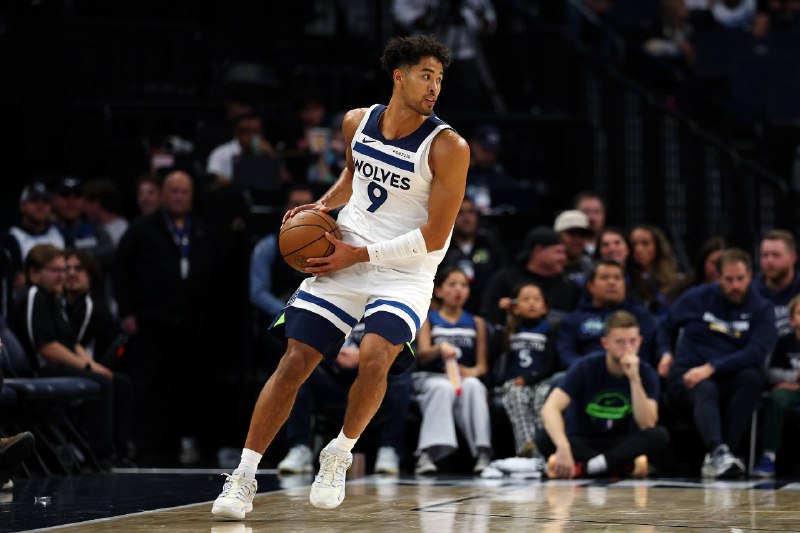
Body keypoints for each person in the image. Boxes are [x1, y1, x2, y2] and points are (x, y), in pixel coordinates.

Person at [212, 35, 470, 518]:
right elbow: (353, 178)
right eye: (425, 75)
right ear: (399, 77)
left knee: (375, 354)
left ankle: (339, 453)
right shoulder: (357, 121)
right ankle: (243, 477)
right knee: (294, 361)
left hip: (404, 270)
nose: (434, 86)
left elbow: (436, 236)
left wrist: (359, 255)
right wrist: (320, 206)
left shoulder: (448, 147)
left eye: (439, 78)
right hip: (344, 255)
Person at [114, 170, 222, 466]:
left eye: (184, 191)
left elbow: (215, 274)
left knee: (185, 385)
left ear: (192, 197)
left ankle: (181, 441)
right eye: (173, 191)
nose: (178, 196)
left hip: (191, 323)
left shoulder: (202, 229)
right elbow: (121, 271)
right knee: (150, 385)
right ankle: (147, 445)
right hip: (151, 320)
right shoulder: (141, 228)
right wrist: (126, 311)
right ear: (163, 194)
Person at [657, 248, 777, 478]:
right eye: (729, 279)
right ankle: (720, 452)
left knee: (752, 377)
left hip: (727, 374)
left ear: (750, 275)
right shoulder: (697, 298)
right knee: (705, 387)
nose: (735, 285)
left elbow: (756, 353)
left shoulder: (762, 308)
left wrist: (712, 367)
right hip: (688, 373)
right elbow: (665, 325)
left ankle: (722, 453)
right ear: (718, 277)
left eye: (740, 278)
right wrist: (665, 353)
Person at [9, 244, 133, 466]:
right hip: (37, 371)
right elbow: (47, 348)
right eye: (56, 271)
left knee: (119, 382)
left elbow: (71, 343)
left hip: (53, 368)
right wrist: (87, 367)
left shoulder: (53, 299)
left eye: (63, 270)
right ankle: (101, 456)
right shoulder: (34, 296)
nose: (62, 276)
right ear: (34, 273)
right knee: (101, 382)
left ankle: (121, 452)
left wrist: (93, 365)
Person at [539, 311, 669, 479]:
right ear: (605, 343)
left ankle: (588, 468)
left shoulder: (646, 372)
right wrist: (563, 447)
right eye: (620, 342)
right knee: (544, 437)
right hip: (584, 439)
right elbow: (550, 408)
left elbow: (647, 424)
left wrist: (634, 379)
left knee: (659, 435)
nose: (627, 348)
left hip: (621, 442)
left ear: (640, 341)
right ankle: (617, 468)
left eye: (632, 341)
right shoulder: (586, 366)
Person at [276, 320, 412, 476]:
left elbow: (401, 347)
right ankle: (299, 447)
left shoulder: (386, 311)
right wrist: (333, 353)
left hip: (371, 378)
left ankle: (389, 448)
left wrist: (366, 356)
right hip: (331, 376)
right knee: (299, 369)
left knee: (400, 377)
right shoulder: (330, 307)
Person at [412, 267, 491, 475]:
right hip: (432, 376)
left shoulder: (477, 322)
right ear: (438, 291)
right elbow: (422, 354)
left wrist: (471, 372)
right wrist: (439, 348)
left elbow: (482, 366)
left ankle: (483, 452)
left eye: (463, 285)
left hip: (463, 378)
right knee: (442, 388)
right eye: (452, 284)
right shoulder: (428, 318)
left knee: (474, 386)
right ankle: (428, 453)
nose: (458, 290)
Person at [557, 259, 662, 370]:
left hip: (631, 372)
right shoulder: (573, 320)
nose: (612, 282)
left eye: (617, 278)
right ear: (590, 286)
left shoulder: (642, 316)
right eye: (605, 278)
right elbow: (567, 355)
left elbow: (648, 353)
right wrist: (587, 370)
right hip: (586, 374)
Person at [498, 282, 556, 458]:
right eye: (525, 299)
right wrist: (504, 314)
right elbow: (495, 349)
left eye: (536, 299)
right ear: (515, 306)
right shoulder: (509, 329)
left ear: (545, 307)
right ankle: (527, 449)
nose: (531, 303)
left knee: (543, 397)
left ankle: (543, 449)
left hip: (541, 380)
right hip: (515, 382)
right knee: (517, 395)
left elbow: (551, 363)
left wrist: (531, 379)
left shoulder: (550, 329)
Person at [480, 225, 582, 327]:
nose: (564, 258)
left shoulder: (569, 286)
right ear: (538, 251)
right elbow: (489, 317)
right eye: (558, 252)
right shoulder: (505, 280)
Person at [752, 293, 800, 477]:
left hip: (793, 387)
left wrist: (794, 383)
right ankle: (768, 456)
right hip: (788, 392)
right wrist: (795, 376)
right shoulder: (784, 342)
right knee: (776, 399)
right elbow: (770, 373)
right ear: (791, 320)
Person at [439, 196, 507, 315]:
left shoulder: (491, 246)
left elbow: (502, 280)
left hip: (486, 314)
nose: (466, 218)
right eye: (460, 212)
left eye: (471, 212)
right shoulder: (440, 247)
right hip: (445, 315)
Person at [1, 181, 65, 296]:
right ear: (22, 205)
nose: (40, 206)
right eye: (34, 200)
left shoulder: (60, 234)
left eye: (45, 201)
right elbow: (18, 281)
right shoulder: (10, 239)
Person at [753, 229, 800, 338]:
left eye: (776, 255)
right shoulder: (751, 292)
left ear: (793, 258)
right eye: (765, 255)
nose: (769, 261)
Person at [628, 224, 681, 314]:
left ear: (658, 246)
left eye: (645, 243)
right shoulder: (626, 279)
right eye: (633, 244)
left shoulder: (675, 280)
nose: (638, 249)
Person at [82, 179, 129, 249]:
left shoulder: (123, 230)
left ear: (97, 203)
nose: (84, 208)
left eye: (87, 203)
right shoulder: (88, 227)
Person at [553, 209, 594, 287]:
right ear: (558, 236)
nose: (577, 240)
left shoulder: (592, 268)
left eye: (582, 235)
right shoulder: (548, 270)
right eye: (572, 234)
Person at [574, 191, 606, 256]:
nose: (591, 218)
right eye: (586, 212)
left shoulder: (609, 248)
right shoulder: (564, 249)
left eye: (596, 212)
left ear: (603, 216)